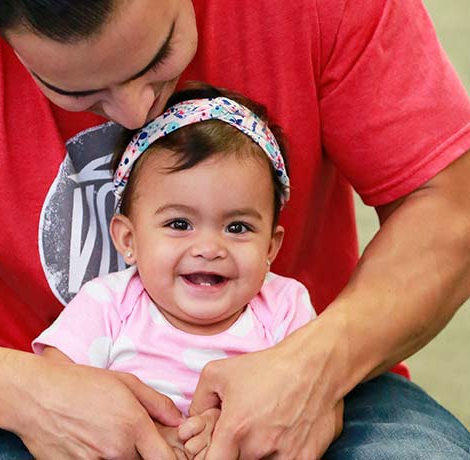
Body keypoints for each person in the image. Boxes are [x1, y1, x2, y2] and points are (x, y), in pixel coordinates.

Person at [0, 0, 470, 458]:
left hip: (312, 385)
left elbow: (445, 208)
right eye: (78, 91)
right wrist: (31, 394)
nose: (138, 115)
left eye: (157, 58)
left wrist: (311, 372)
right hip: (22, 407)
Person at [33, 85, 331, 459]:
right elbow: (56, 385)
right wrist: (147, 432)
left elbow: (321, 404)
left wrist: (228, 430)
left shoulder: (285, 306)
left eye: (237, 227)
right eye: (179, 224)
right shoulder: (109, 303)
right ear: (129, 239)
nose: (208, 248)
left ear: (271, 246)